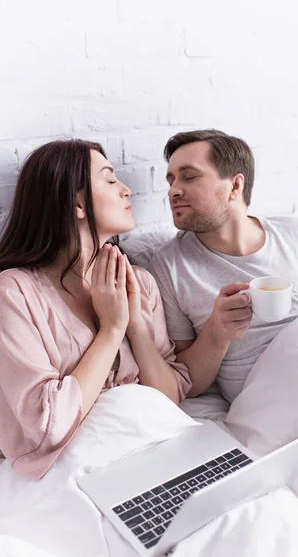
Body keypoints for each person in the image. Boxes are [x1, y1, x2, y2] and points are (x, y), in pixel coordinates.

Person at [0, 140, 192, 481]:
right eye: (110, 179)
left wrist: (136, 329)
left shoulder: (140, 283)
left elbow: (169, 399)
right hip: (84, 473)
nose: (127, 189)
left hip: (163, 451)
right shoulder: (14, 293)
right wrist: (111, 330)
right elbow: (50, 425)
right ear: (76, 202)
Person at [149, 129, 298, 402]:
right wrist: (216, 332)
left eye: (189, 177)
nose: (173, 191)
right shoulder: (170, 266)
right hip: (275, 401)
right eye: (171, 180)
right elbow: (188, 383)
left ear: (235, 187)